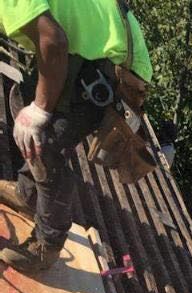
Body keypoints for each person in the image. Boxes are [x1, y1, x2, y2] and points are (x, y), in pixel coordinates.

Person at [0, 1, 153, 274]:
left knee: (44, 140)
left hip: (115, 63)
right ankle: (29, 194)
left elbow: (53, 41)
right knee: (27, 99)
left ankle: (47, 245)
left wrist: (39, 110)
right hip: (87, 44)